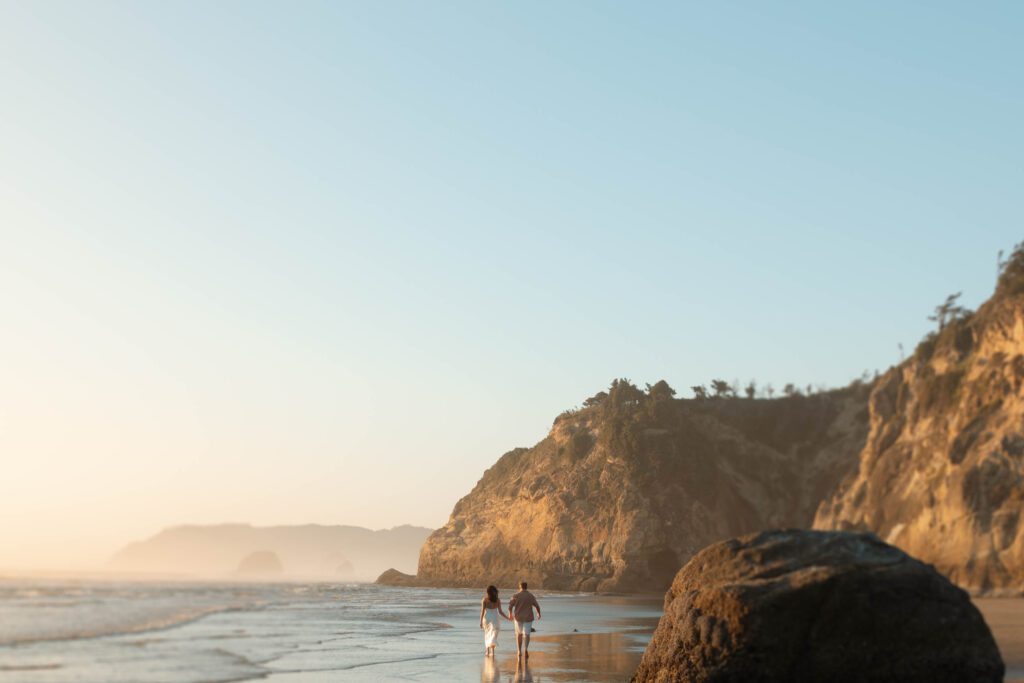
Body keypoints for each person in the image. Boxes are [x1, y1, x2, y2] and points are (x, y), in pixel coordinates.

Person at [508, 581, 541, 659]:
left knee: (519, 634)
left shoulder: (516, 595)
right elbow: (537, 606)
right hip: (528, 617)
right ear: (526, 587)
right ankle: (526, 649)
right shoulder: (530, 596)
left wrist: (510, 614)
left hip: (518, 618)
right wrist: (538, 614)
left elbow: (510, 606)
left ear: (520, 587)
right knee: (527, 634)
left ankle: (519, 651)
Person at [479, 585, 510, 656]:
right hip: (495, 618)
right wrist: (507, 618)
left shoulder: (484, 600)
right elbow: (500, 612)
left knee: (487, 634)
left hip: (487, 618)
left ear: (488, 592)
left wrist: (480, 621)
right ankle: (492, 651)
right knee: (494, 634)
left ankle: (487, 651)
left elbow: (482, 612)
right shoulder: (498, 600)